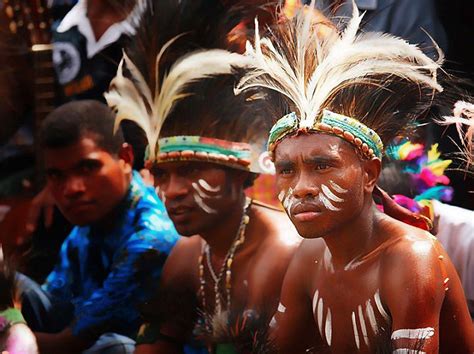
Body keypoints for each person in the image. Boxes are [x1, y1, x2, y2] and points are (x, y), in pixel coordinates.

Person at [233, 1, 474, 352]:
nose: (301, 188)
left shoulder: (412, 258)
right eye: (287, 169)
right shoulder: (309, 256)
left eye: (322, 166)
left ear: (369, 173)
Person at [103, 2, 301, 352]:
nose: (172, 191)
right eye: (161, 175)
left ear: (242, 175)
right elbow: (155, 343)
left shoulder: (281, 255)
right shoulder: (187, 256)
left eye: (191, 171)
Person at [19, 100, 180, 353]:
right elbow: (53, 300)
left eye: (88, 167)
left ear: (125, 158)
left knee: (114, 347)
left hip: (116, 347)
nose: (72, 189)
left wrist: (13, 336)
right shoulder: (92, 219)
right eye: (56, 175)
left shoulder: (152, 237)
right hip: (76, 336)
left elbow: (69, 342)